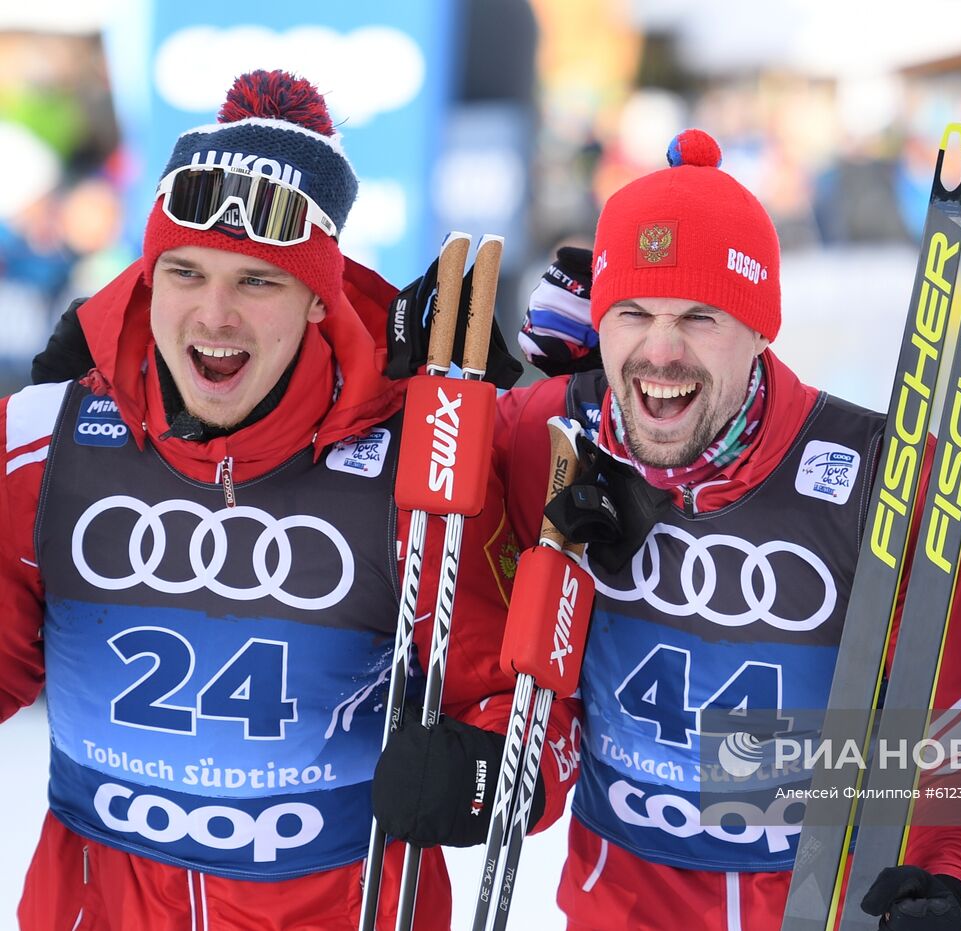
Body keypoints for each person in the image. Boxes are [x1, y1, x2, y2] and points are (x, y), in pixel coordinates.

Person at [0, 69, 576, 929]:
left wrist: (485, 775)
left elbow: (521, 707)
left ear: (318, 296)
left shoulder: (418, 463)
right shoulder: (43, 443)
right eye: (185, 273)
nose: (214, 315)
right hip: (96, 905)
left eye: (259, 281)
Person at [496, 129, 961, 930]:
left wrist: (938, 871)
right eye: (633, 313)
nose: (660, 351)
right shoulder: (549, 433)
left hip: (814, 904)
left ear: (760, 329)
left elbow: (953, 709)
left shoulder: (880, 470)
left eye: (700, 317)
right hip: (615, 903)